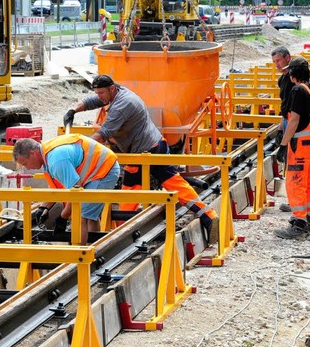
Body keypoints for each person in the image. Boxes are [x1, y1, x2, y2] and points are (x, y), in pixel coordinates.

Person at [63, 74, 220, 244]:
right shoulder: (116, 92)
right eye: (98, 92)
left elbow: (103, 135)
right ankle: (122, 236)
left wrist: (75, 147)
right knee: (131, 192)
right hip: (143, 152)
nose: (100, 96)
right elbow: (94, 101)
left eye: (102, 93)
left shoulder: (122, 105)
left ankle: (208, 217)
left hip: (150, 151)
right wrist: (73, 110)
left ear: (111, 89)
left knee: (169, 186)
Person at [13, 135, 120, 244]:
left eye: (25, 163)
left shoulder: (56, 161)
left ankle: (81, 255)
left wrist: (63, 217)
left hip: (104, 169)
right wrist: (43, 207)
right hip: (98, 168)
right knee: (89, 214)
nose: (27, 168)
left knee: (81, 215)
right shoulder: (47, 154)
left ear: (32, 153)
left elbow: (76, 192)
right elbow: (56, 187)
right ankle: (93, 248)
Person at [274, 57, 310, 239]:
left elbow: (293, 121)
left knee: (295, 182)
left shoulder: (297, 91)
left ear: (293, 74)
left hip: (299, 146)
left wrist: (283, 144)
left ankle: (298, 223)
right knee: (308, 182)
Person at [271, 46, 293, 213]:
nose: (276, 65)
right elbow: (284, 109)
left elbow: (295, 114)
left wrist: (285, 142)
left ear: (288, 58)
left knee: (294, 165)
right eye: (274, 62)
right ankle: (293, 200)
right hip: (287, 122)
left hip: (295, 124)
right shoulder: (282, 80)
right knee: (289, 164)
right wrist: (280, 128)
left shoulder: (295, 81)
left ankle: (296, 204)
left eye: (278, 61)